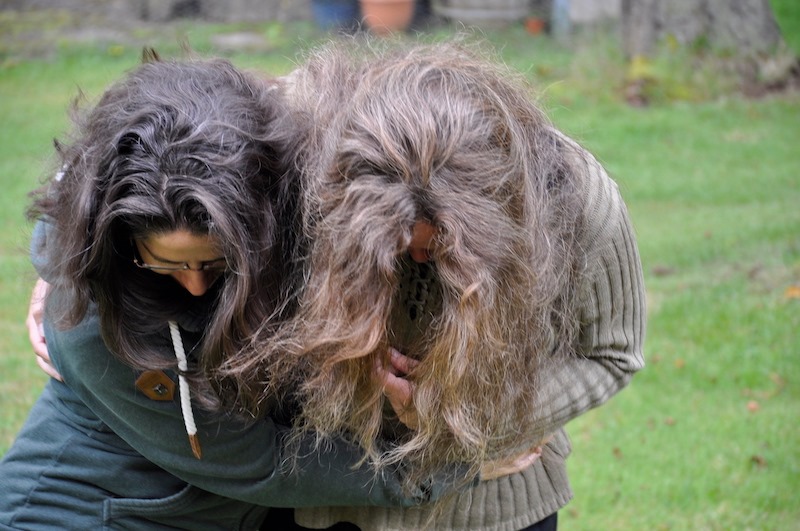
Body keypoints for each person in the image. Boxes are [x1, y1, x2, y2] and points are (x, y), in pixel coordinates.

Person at [1, 51, 482, 530]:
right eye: (164, 264)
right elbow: (256, 463)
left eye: (215, 262)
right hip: (82, 515)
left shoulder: (287, 180)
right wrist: (445, 469)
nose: (193, 284)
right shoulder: (89, 324)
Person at [229, 41, 647, 530]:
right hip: (328, 497)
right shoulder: (303, 149)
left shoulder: (578, 202)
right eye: (397, 247)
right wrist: (339, 355)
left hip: (491, 507)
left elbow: (614, 352)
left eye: (439, 247)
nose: (418, 260)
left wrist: (479, 418)